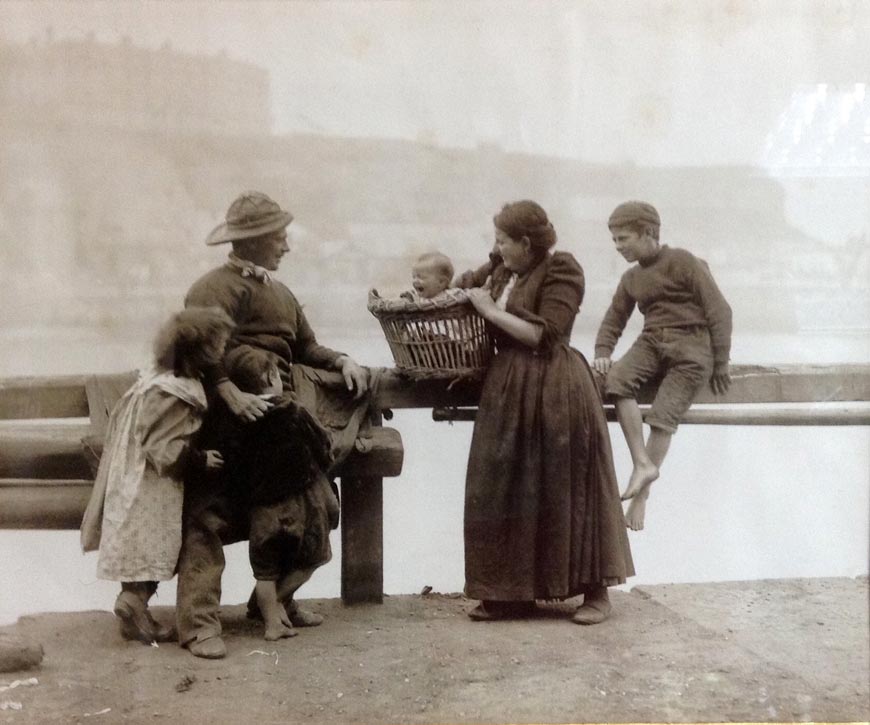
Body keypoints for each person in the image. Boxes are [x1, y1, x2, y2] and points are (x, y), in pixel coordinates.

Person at [176, 190, 371, 659]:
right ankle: (199, 624)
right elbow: (196, 347)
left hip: (276, 419)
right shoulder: (212, 287)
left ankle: (276, 600)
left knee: (304, 504)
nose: (286, 246)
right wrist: (229, 391)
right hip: (225, 420)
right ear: (255, 240)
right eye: (279, 238)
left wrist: (343, 360)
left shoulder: (281, 293)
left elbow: (306, 348)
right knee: (209, 514)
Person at [456, 200, 634, 625]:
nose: (496, 248)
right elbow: (461, 285)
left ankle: (595, 592)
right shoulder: (503, 270)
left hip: (557, 386)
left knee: (568, 485)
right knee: (505, 485)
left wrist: (489, 310)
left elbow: (543, 335)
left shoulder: (562, 271)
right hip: (508, 388)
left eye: (502, 240)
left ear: (526, 242)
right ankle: (511, 593)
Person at [79, 307, 233, 644]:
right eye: (219, 344)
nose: (223, 349)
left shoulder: (158, 378)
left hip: (130, 474)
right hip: (151, 480)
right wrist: (198, 459)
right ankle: (134, 604)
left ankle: (132, 608)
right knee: (156, 542)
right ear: (199, 351)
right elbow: (162, 446)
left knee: (141, 544)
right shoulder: (176, 392)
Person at [592, 200, 732, 531]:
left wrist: (721, 362)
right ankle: (642, 462)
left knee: (662, 417)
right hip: (652, 340)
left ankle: (641, 497)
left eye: (623, 239)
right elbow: (614, 318)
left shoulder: (684, 262)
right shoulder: (631, 278)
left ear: (649, 233)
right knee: (616, 381)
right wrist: (602, 349)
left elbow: (720, 311)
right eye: (614, 240)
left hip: (692, 345)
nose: (618, 247)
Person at [194, 346, 338, 642]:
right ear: (272, 375)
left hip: (261, 513)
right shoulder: (293, 411)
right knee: (312, 558)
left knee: (265, 573)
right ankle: (275, 606)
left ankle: (273, 623)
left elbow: (233, 465)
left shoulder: (236, 423)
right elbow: (324, 448)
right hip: (299, 507)